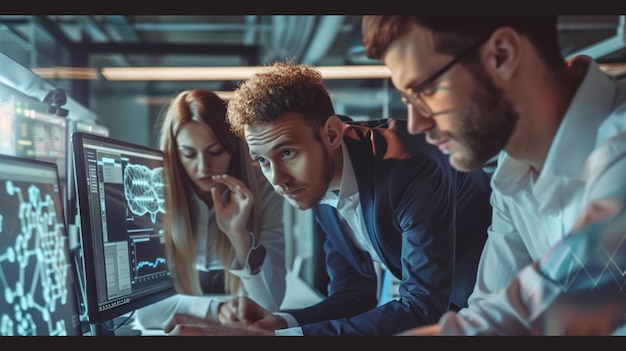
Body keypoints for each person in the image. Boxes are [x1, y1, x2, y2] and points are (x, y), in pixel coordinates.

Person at [163, 61, 493, 336]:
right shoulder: (319, 177)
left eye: (287, 152)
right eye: (262, 161)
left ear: (331, 133)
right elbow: (353, 295)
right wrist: (280, 323)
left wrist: (283, 337)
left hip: (501, 309)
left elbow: (422, 307)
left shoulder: (409, 169)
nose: (277, 179)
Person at [360, 15, 626, 335]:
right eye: (409, 100)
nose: (416, 124)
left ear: (503, 55)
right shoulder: (511, 177)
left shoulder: (619, 147)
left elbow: (530, 316)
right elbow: (489, 307)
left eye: (425, 90)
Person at [135, 89, 287, 329]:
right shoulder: (153, 188)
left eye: (215, 152)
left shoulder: (263, 186)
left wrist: (239, 234)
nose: (203, 167)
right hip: (199, 302)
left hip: (235, 297)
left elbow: (269, 305)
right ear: (175, 154)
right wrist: (216, 310)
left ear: (232, 147)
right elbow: (145, 314)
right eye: (189, 154)